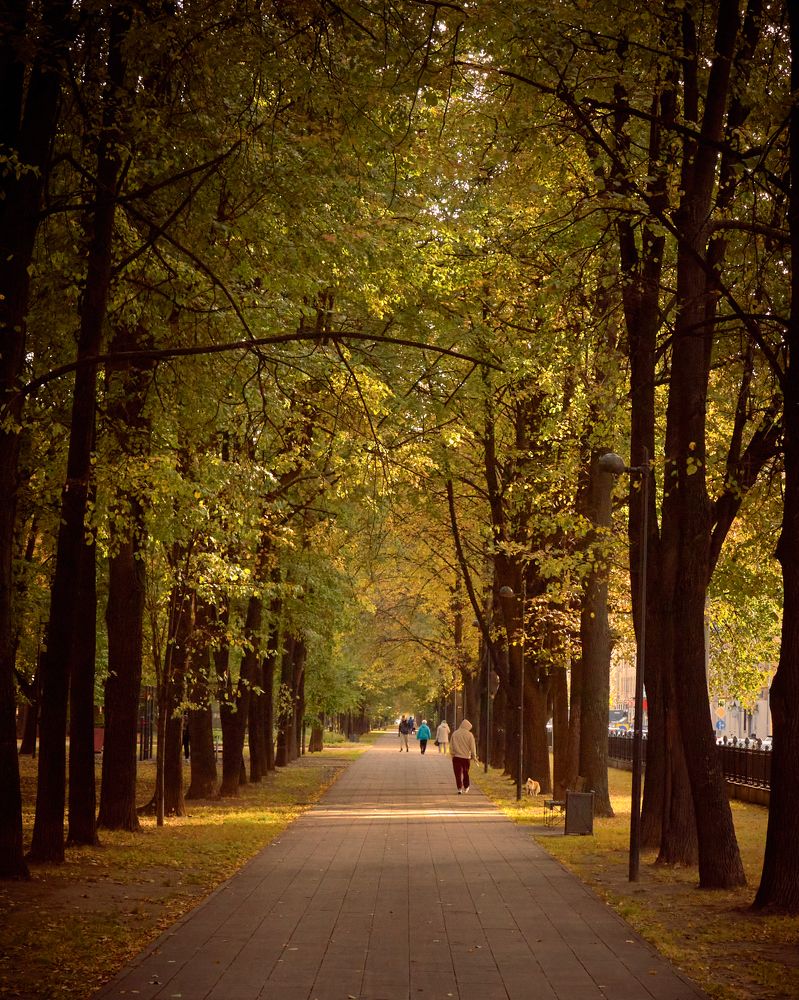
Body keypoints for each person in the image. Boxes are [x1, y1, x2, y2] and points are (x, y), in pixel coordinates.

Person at [450, 719, 477, 794]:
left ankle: (459, 788)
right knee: (466, 772)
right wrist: (474, 755)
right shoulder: (470, 735)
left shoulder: (455, 733)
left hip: (456, 757)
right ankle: (466, 786)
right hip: (466, 757)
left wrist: (452, 754)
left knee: (457, 773)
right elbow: (472, 746)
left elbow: (451, 745)